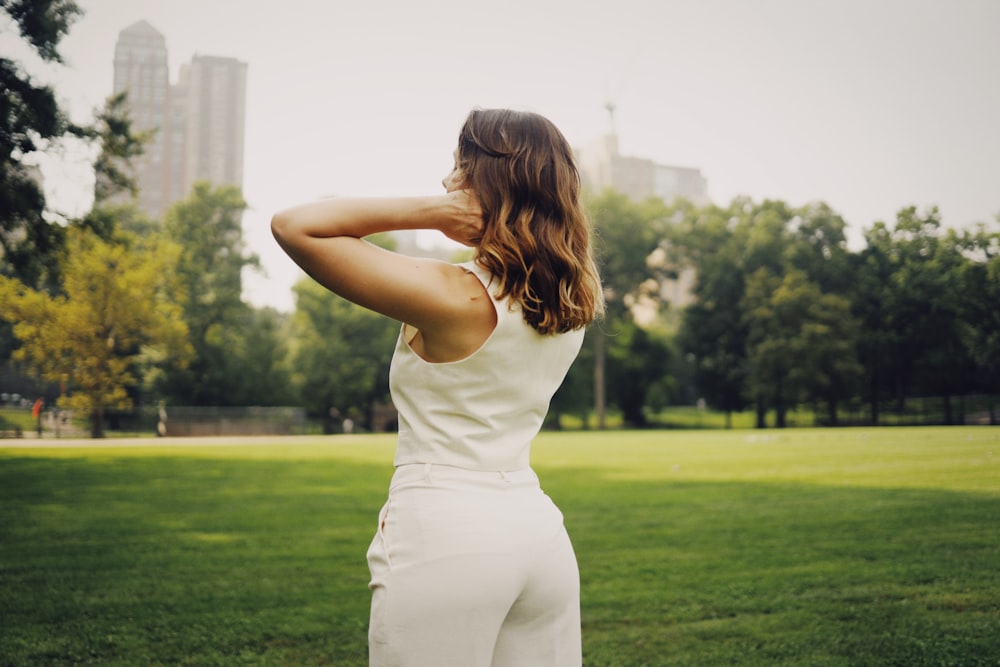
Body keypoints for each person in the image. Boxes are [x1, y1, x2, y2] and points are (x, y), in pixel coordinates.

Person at [271, 108, 603, 667]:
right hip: (539, 536)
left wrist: (434, 213)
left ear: (486, 186)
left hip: (447, 531)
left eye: (458, 169)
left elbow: (295, 225)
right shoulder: (572, 297)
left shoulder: (456, 295)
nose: (448, 182)